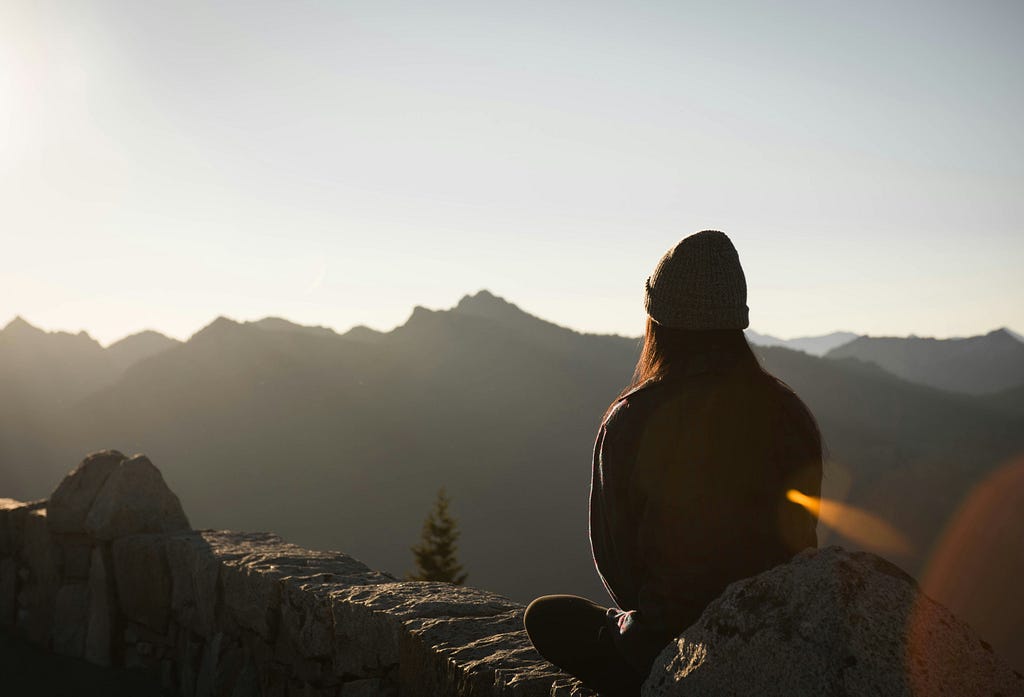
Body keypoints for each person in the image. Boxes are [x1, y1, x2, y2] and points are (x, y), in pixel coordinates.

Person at [523, 230, 823, 696]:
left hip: (669, 648)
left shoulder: (632, 418)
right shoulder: (788, 413)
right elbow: (802, 540)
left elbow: (617, 561)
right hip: (776, 634)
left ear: (657, 320)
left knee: (547, 616)